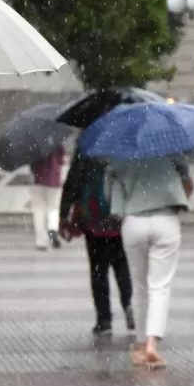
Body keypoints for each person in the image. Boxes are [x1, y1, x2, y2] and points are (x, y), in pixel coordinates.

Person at [107, 155, 194, 369]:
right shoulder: (172, 151)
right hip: (166, 222)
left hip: (134, 222)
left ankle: (139, 342)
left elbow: (110, 196)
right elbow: (187, 186)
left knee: (140, 287)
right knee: (160, 286)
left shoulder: (120, 155)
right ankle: (152, 344)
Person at [59, 144, 134, 337]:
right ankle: (129, 306)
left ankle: (104, 320)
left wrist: (63, 213)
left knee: (98, 269)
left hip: (93, 213)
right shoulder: (123, 140)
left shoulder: (88, 142)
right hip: (119, 212)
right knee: (122, 264)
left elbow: (74, 180)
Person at [29, 145, 65, 250]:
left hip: (37, 179)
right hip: (54, 179)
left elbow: (31, 162)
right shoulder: (56, 140)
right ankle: (53, 228)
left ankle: (41, 241)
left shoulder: (33, 143)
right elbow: (62, 160)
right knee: (53, 208)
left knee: (38, 209)